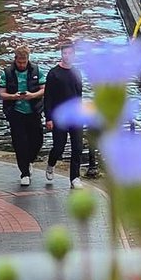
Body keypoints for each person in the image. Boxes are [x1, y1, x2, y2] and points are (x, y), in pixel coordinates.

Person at [0, 45, 45, 186]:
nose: (21, 64)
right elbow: (2, 94)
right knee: (20, 144)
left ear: (28, 59)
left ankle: (30, 160)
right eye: (19, 62)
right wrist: (14, 97)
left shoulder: (37, 70)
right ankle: (24, 172)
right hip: (16, 113)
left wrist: (32, 95)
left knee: (38, 140)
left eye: (24, 62)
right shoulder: (6, 73)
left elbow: (44, 89)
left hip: (33, 111)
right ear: (15, 59)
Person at [44, 40, 84, 189]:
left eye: (69, 53)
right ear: (61, 55)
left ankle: (75, 177)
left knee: (77, 147)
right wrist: (48, 117)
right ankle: (51, 162)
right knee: (59, 147)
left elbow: (79, 95)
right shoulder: (54, 73)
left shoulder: (77, 72)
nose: (67, 56)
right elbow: (48, 97)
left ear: (74, 55)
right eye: (64, 53)